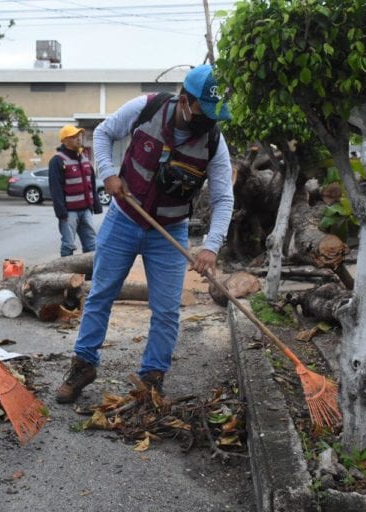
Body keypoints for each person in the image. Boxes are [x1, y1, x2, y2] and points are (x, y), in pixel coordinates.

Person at [55, 64, 234, 403]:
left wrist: (211, 247)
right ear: (185, 101)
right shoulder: (146, 108)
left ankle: (152, 378)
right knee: (100, 295)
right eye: (202, 112)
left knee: (166, 309)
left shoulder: (213, 140)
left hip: (170, 230)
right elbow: (103, 134)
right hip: (123, 220)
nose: (207, 120)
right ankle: (83, 366)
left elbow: (225, 197)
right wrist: (107, 174)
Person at [48, 125, 102, 257]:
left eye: (79, 136)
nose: (79, 139)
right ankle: (65, 276)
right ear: (64, 141)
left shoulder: (84, 157)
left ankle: (91, 274)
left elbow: (92, 182)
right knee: (68, 244)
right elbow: (55, 188)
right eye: (74, 137)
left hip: (86, 210)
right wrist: (61, 212)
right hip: (69, 212)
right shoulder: (57, 160)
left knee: (91, 244)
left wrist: (95, 203)